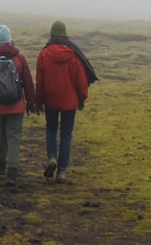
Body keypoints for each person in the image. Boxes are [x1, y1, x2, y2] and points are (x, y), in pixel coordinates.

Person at [35, 20, 97, 183]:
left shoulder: (44, 54)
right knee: (66, 134)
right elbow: (80, 81)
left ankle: (51, 158)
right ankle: (62, 171)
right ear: (65, 34)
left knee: (51, 129)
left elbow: (40, 81)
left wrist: (38, 100)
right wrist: (82, 98)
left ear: (51, 34)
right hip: (69, 102)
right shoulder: (73, 55)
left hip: (50, 100)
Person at [0, 24, 35, 186]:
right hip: (17, 107)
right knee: (14, 137)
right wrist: (31, 105)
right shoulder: (19, 59)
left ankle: (0, 167)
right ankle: (13, 172)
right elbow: (29, 84)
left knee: (1, 135)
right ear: (10, 41)